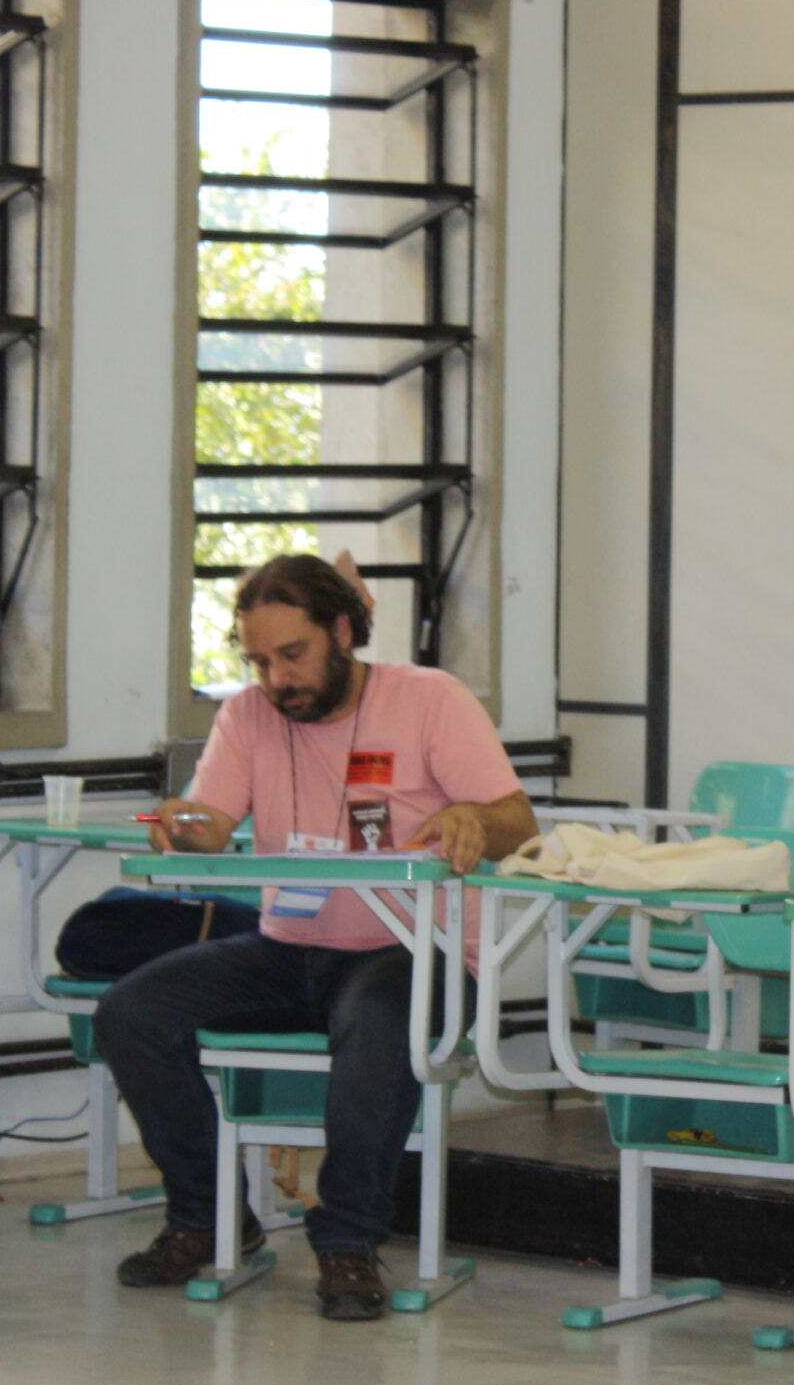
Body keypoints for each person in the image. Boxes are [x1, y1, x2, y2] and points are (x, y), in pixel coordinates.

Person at [96, 553, 537, 1321]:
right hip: (289, 947)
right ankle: (207, 1218)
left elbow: (518, 824)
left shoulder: (430, 699)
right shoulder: (247, 716)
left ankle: (346, 1241)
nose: (277, 678)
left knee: (376, 1016)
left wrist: (474, 817)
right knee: (130, 1012)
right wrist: (180, 823)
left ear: (341, 631)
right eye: (259, 661)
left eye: (292, 654)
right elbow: (211, 824)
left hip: (415, 953)